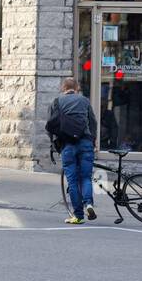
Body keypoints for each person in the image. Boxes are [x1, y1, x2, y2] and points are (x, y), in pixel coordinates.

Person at [47, 77, 98, 225]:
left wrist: (55, 145)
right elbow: (93, 122)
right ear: (77, 88)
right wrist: (93, 140)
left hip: (67, 145)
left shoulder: (57, 102)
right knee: (86, 177)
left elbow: (51, 125)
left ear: (63, 88)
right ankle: (89, 203)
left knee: (73, 181)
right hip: (85, 142)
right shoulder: (84, 101)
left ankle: (78, 216)